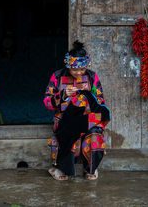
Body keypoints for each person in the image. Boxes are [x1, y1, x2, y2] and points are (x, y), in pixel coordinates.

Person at [43, 40, 110, 180]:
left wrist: (89, 96)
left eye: (82, 69)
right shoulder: (57, 76)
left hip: (88, 118)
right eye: (75, 70)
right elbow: (47, 102)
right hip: (65, 119)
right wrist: (63, 95)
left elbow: (101, 100)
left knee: (95, 136)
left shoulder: (92, 77)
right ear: (68, 66)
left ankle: (90, 168)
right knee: (69, 134)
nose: (79, 73)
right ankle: (60, 168)